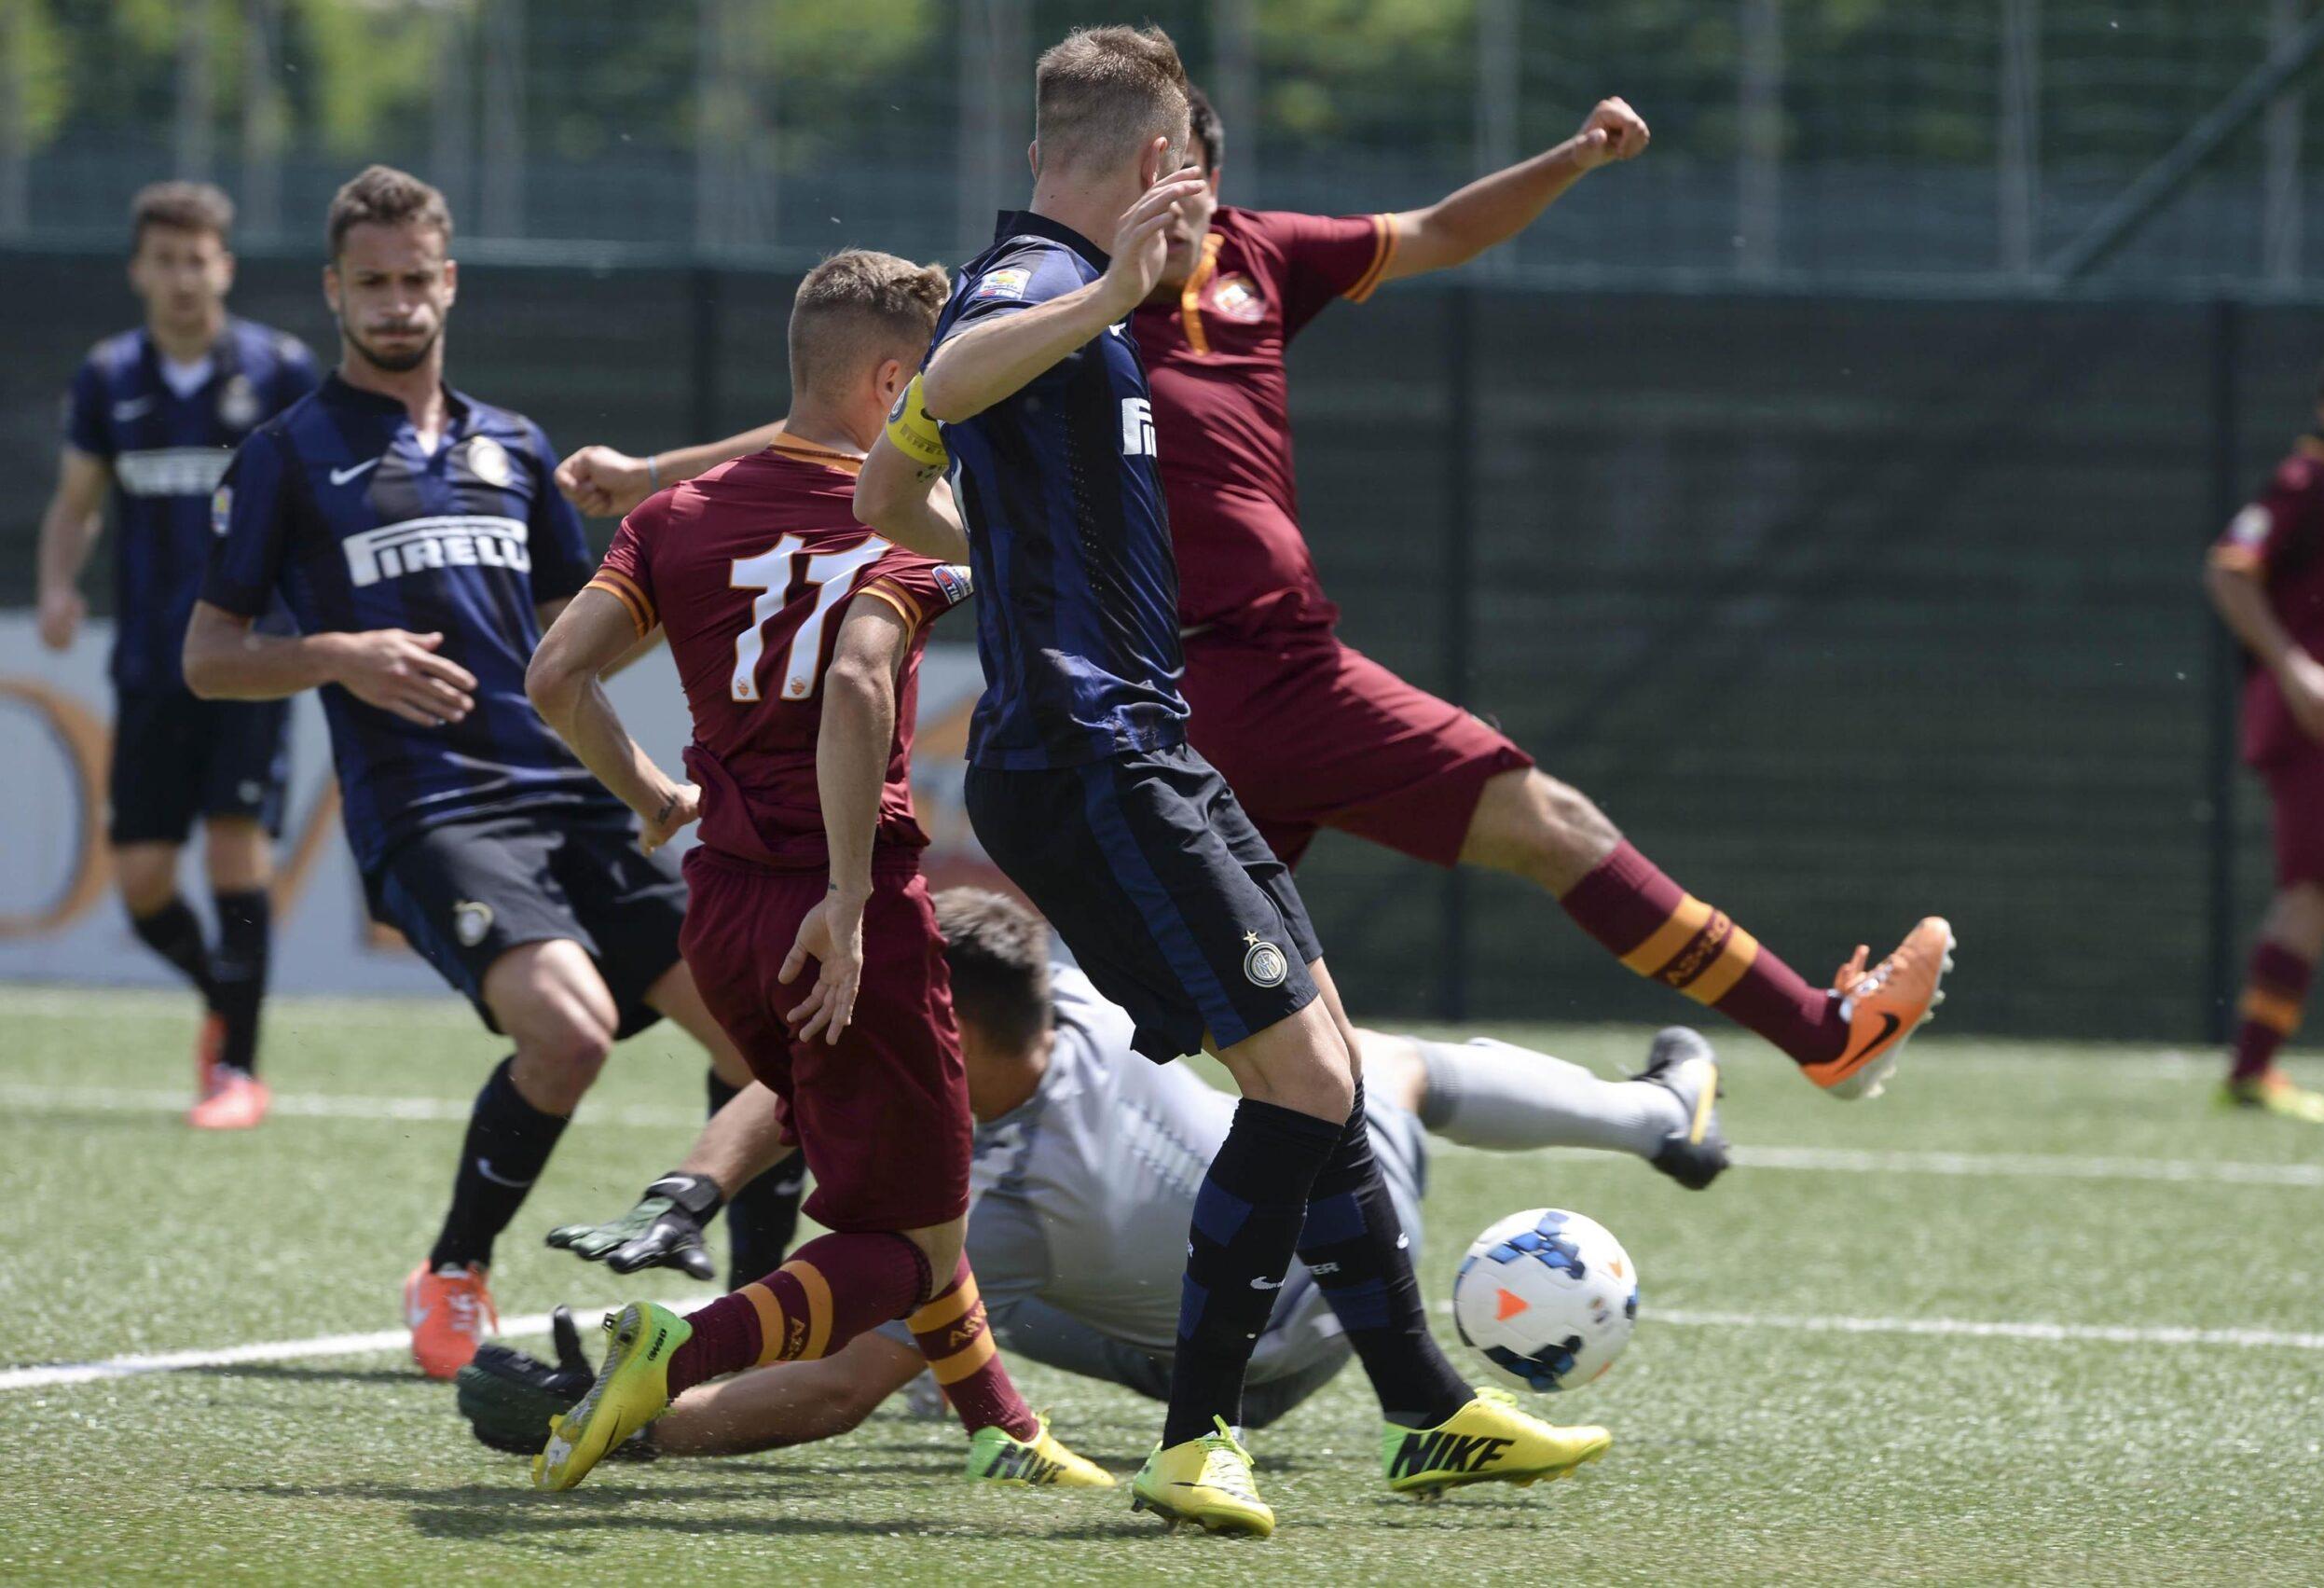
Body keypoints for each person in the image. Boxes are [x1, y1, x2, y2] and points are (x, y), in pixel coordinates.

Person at [553, 87, 1954, 1102]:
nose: (1177, 200)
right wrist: (659, 470)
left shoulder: (1260, 255)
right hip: (1221, 683)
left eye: (1191, 173)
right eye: (1157, 176)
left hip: (1208, 695)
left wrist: (1575, 157)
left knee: (1255, 1034)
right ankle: (1812, 1031)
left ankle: (912, 1218)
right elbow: (874, 405)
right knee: (1537, 837)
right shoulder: (1063, 288)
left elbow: (1441, 230)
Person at [849, 24, 1612, 1537]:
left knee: (1319, 1041)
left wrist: (1002, 547)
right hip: (1091, 754)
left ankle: (1425, 1409)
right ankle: (1197, 1434)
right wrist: (1120, 291)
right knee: (1310, 1082)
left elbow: (885, 482)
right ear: (1160, 169)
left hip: (1148, 739)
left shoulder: (1089, 304)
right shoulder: (1045, 286)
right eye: (1195, 177)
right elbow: (951, 363)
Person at [516, 249, 1107, 1494]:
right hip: (850, 916)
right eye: (935, 380)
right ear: (897, 380)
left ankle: (1004, 1424)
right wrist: (847, 892)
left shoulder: (671, 521)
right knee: (906, 1235)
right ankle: (681, 1347)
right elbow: (854, 675)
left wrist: (654, 795)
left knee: (917, 1210)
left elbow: (555, 676)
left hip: (722, 908)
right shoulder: (907, 522)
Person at [461, 885, 1728, 1459]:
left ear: (955, 1030)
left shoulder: (1016, 1205)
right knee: (1374, 1066)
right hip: (1232, 1262)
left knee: (915, 1298)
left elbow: (828, 1389)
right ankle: (1656, 1113)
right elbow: (804, 1092)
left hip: (1270, 1341)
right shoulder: (1065, 989)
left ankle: (1656, 1111)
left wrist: (636, 1420)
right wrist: (696, 1183)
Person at [183, 165, 749, 1380]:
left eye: (413, 279)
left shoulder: (517, 446)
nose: (394, 303)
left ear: (450, 282)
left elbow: (575, 648)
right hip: (431, 806)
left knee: (765, 1039)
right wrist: (340, 652)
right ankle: (453, 1268)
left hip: (569, 797)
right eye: (369, 283)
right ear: (335, 291)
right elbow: (208, 657)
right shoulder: (287, 454)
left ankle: (762, 1319)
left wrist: (648, 779)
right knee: (569, 1030)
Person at [34, 181, 319, 1129]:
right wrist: (59, 584)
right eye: (165, 260)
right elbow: (76, 504)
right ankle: (221, 996)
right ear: (138, 272)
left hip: (252, 653)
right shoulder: (109, 376)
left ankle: (237, 1066)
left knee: (236, 849)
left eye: (199, 259)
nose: (183, 277)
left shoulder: (279, 370)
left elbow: (322, 501)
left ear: (224, 267)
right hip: (153, 662)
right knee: (143, 881)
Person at [2204, 339, 2324, 1124]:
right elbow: (2229, 569)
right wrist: (2293, 665)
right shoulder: (2305, 482)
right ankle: (2251, 1071)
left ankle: (2253, 1068)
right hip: (2311, 724)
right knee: (2315, 886)